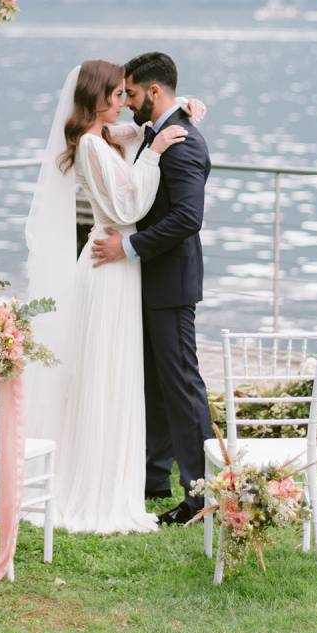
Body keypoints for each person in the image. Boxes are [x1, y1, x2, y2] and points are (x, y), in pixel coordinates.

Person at [24, 59, 194, 533]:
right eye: (119, 95)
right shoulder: (92, 147)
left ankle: (113, 477)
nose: (126, 102)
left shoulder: (104, 138)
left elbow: (137, 131)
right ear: (99, 99)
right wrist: (157, 152)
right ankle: (97, 486)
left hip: (118, 265)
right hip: (110, 262)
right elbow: (129, 205)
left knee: (115, 372)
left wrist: (185, 109)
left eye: (127, 94)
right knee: (106, 372)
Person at [91, 52, 212, 525]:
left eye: (133, 93)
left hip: (171, 283)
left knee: (182, 386)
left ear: (155, 92)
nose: (129, 103)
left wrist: (131, 246)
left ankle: (202, 495)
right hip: (149, 282)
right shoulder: (159, 134)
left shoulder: (184, 144)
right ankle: (152, 479)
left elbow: (187, 218)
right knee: (155, 386)